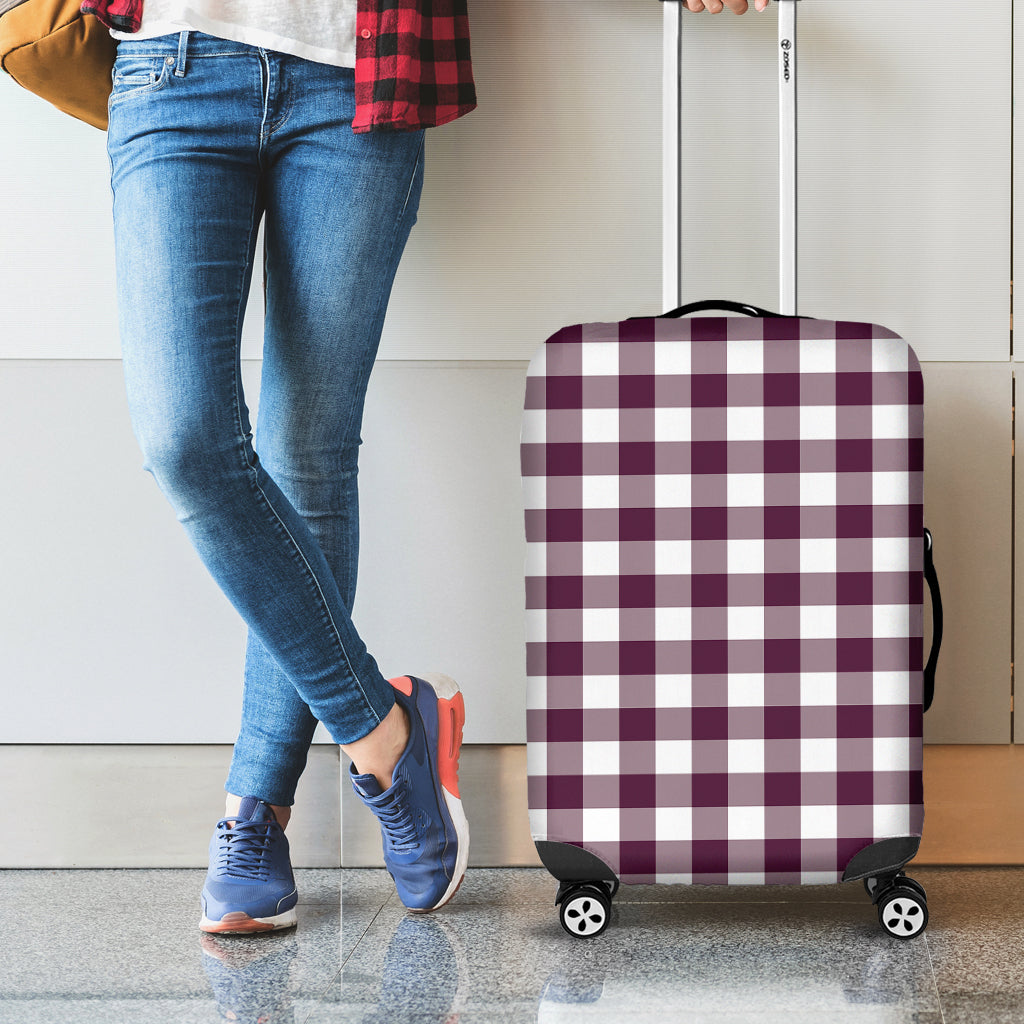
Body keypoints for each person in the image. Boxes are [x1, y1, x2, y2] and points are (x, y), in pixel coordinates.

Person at [86, 0, 476, 933]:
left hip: (359, 79)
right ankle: (386, 730)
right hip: (173, 70)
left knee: (307, 456)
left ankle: (255, 813)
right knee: (184, 441)